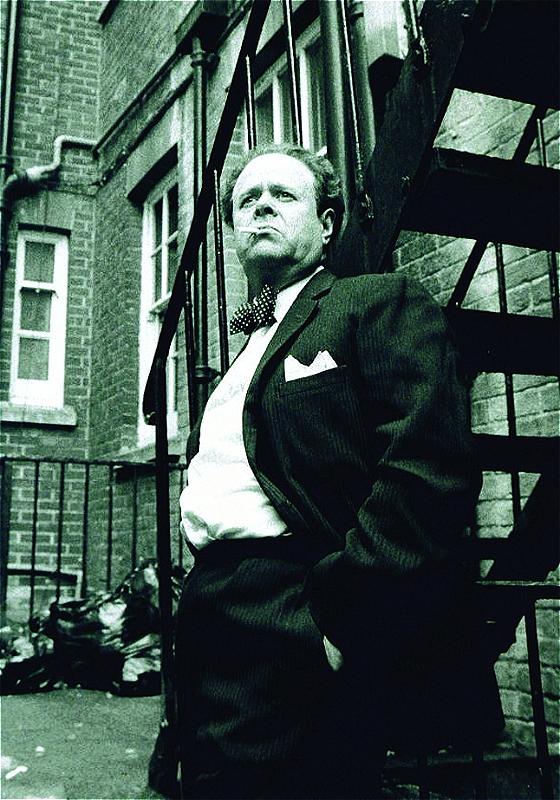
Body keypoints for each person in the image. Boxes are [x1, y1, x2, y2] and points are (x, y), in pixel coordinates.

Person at [175, 143, 501, 799]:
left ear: (326, 225)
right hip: (213, 607)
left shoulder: (374, 301)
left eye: (282, 195)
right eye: (246, 199)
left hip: (299, 605)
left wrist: (341, 619)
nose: (260, 205)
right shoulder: (242, 346)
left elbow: (428, 466)